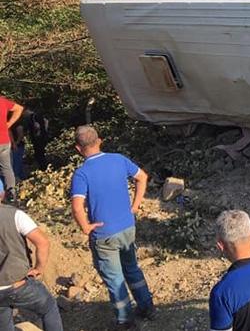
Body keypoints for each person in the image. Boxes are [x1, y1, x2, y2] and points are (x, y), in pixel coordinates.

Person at [70, 125, 155, 328]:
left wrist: (85, 227)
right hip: (127, 226)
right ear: (100, 140)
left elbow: (77, 206)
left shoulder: (82, 174)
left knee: (114, 278)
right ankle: (147, 307)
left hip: (104, 233)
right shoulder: (118, 159)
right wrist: (134, 206)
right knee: (132, 268)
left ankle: (125, 320)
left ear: (78, 149)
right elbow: (142, 177)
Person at [0, 201, 63, 331]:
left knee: (3, 322)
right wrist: (39, 268)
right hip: (17, 284)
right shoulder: (15, 215)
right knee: (48, 308)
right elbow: (42, 242)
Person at [0, 96, 24, 201]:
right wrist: (8, 124)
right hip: (4, 141)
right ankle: (11, 193)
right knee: (7, 168)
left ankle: (2, 193)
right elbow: (19, 108)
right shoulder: (2, 101)